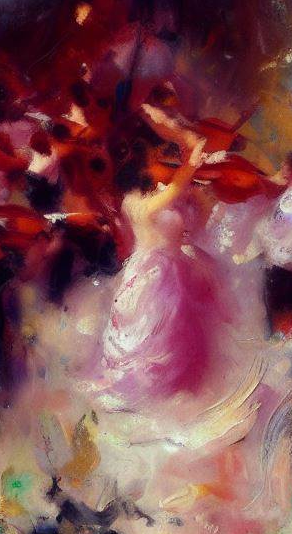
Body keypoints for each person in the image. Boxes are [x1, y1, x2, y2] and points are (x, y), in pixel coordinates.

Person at [94, 107, 225, 406]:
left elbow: (180, 199)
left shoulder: (134, 200)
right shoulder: (147, 205)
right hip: (157, 275)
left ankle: (170, 388)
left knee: (168, 332)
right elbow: (181, 179)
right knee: (160, 331)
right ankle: (159, 392)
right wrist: (191, 148)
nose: (160, 167)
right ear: (143, 171)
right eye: (154, 162)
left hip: (147, 269)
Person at [243, 151, 292, 363]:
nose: (290, 175)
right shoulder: (291, 198)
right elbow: (272, 229)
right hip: (283, 269)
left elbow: (286, 234)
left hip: (290, 269)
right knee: (281, 318)